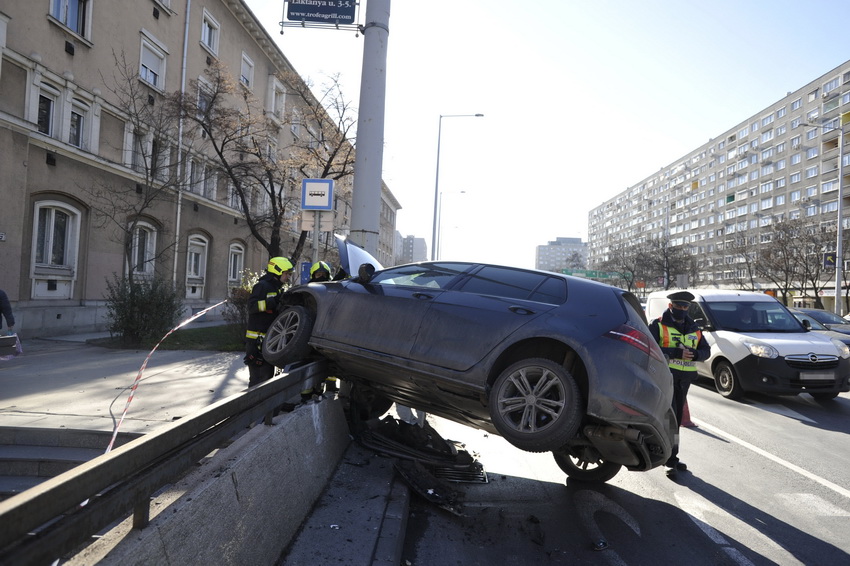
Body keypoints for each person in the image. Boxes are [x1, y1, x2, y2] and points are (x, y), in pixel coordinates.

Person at [648, 290, 709, 475]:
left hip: (685, 380)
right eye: (678, 306)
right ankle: (666, 458)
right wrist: (675, 353)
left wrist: (696, 354)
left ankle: (671, 457)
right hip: (665, 379)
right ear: (670, 306)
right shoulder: (658, 325)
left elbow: (706, 350)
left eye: (685, 307)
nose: (682, 309)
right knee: (669, 419)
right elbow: (650, 348)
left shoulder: (694, 328)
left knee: (674, 421)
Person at [245, 257, 293, 387]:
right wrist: (272, 302)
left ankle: (270, 407)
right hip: (257, 342)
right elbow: (251, 307)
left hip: (269, 340)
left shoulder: (277, 288)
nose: (288, 276)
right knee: (259, 380)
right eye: (286, 273)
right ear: (277, 271)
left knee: (267, 379)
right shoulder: (262, 286)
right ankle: (254, 405)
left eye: (289, 274)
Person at [301, 261, 336, 401]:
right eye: (318, 274)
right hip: (310, 334)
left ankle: (322, 390)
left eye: (323, 274)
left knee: (326, 364)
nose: (320, 276)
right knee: (309, 364)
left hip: (326, 334)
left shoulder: (332, 290)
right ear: (313, 275)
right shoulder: (307, 290)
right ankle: (306, 394)